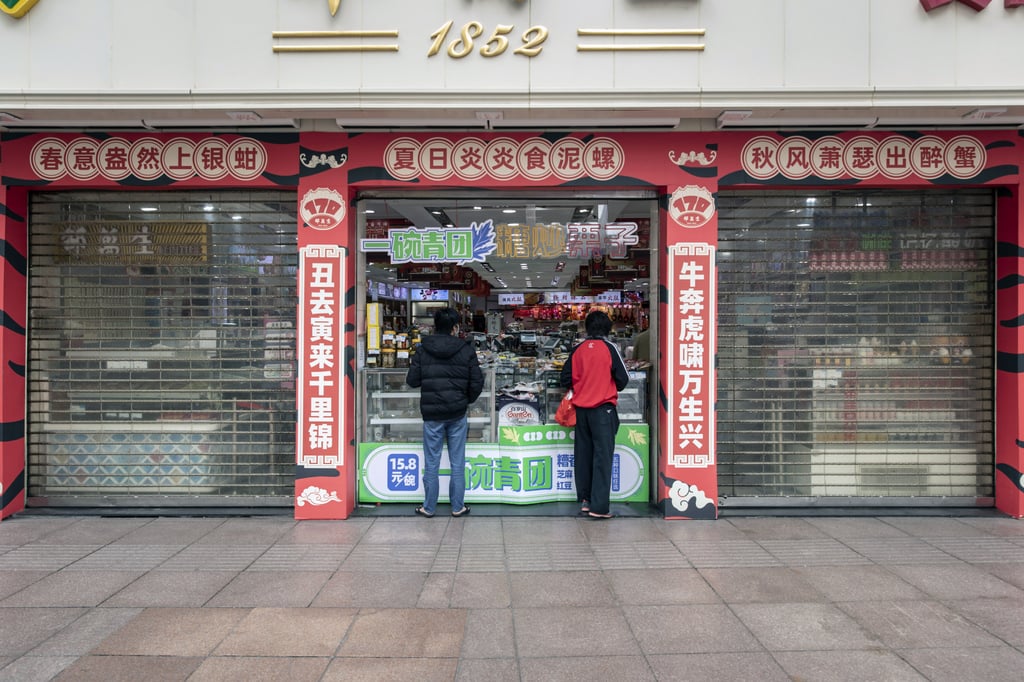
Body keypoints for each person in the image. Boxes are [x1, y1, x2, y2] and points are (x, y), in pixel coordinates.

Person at [406, 307, 484, 518]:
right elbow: (477, 381)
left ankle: (429, 507)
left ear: (435, 327)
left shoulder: (422, 349)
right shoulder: (466, 349)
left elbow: (412, 381)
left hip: (432, 415)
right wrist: (465, 400)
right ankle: (457, 507)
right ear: (455, 327)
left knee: (431, 461)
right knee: (457, 461)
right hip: (457, 414)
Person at [560, 310, 630, 519]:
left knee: (583, 455)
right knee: (602, 457)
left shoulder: (578, 349)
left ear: (586, 328)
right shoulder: (610, 348)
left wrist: (582, 384)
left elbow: (564, 378)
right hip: (603, 410)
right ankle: (599, 508)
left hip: (581, 412)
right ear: (607, 329)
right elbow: (623, 379)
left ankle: (585, 500)